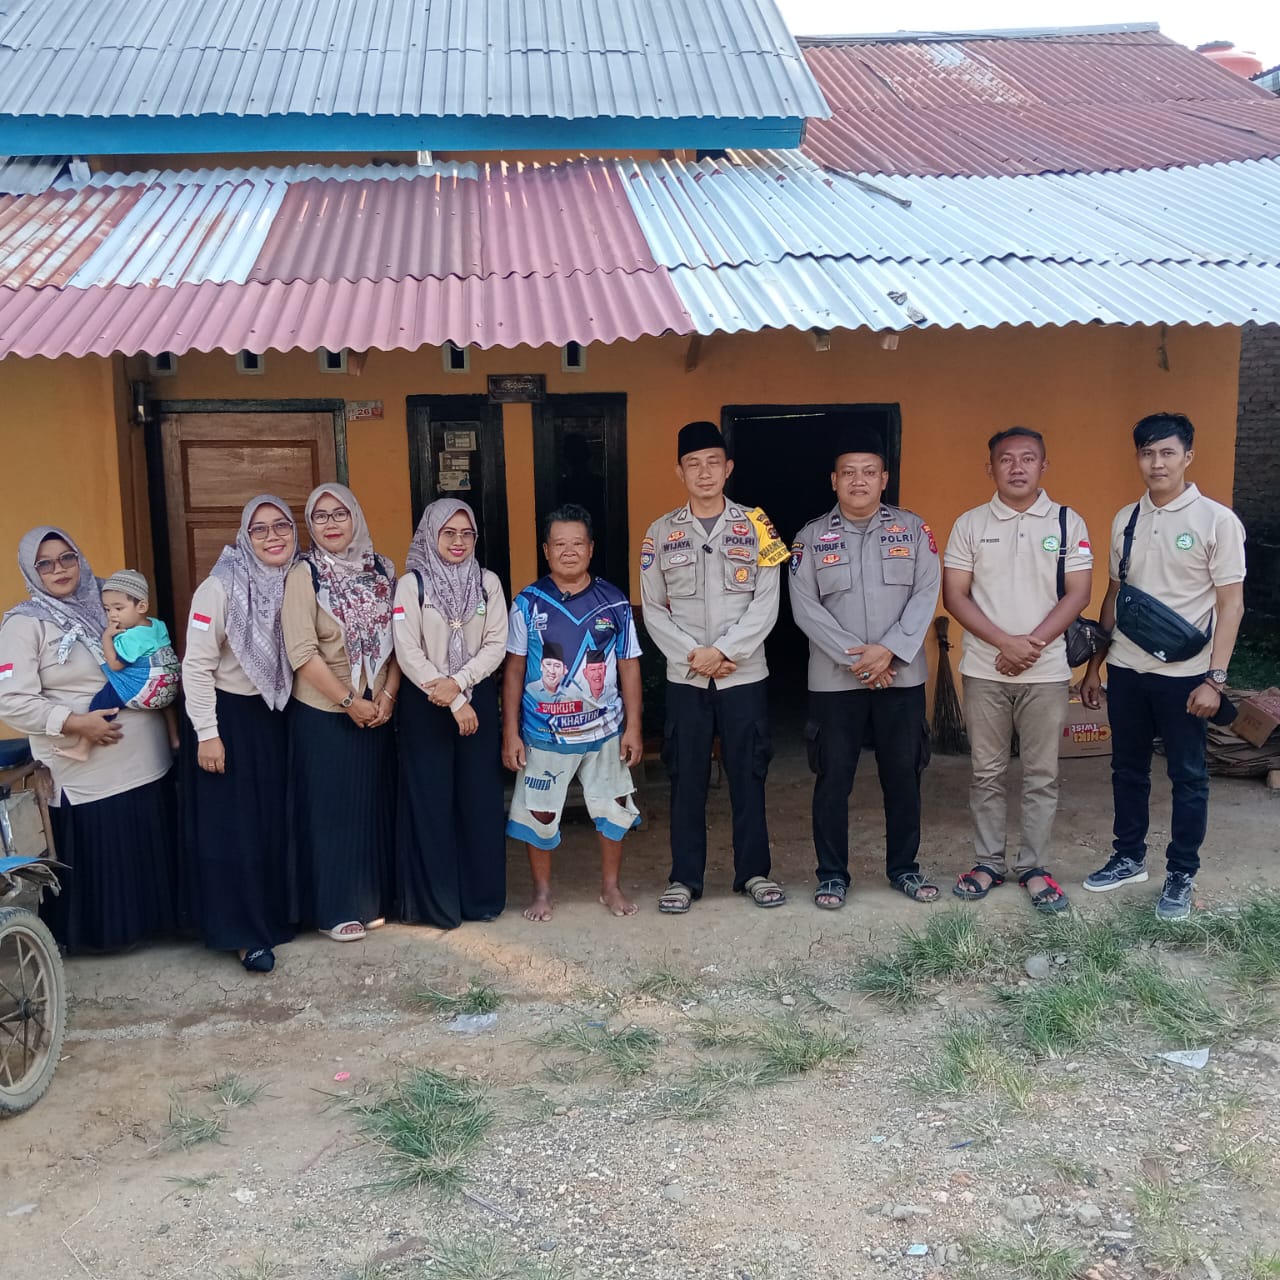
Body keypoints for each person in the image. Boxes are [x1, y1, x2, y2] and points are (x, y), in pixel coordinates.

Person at [1081, 413, 1246, 921]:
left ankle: (1181, 873)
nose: (1157, 463)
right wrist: (1095, 666)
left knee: (1188, 775)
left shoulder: (1217, 521)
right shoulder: (1125, 519)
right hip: (1128, 670)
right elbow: (1115, 594)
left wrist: (1215, 679)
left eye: (1167, 453)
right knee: (1126, 769)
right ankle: (1128, 857)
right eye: (1148, 454)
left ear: (1188, 457)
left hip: (1187, 676)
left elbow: (1232, 604)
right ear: (1138, 459)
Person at [0, 528, 176, 952]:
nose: (59, 569)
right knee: (106, 864)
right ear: (31, 570)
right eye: (46, 563)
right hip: (89, 776)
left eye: (67, 558)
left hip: (148, 764)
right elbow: (10, 701)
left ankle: (161, 924)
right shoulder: (25, 624)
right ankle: (105, 938)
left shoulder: (108, 600)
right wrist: (76, 723)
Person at [640, 420, 789, 914]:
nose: (703, 473)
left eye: (712, 463)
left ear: (728, 468)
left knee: (749, 771)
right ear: (678, 471)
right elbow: (654, 607)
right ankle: (685, 878)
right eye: (692, 464)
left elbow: (768, 600)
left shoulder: (760, 525)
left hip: (743, 674)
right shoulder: (660, 533)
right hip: (687, 678)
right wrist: (696, 655)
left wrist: (727, 653)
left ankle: (755, 872)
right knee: (686, 776)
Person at [942, 427, 1093, 914]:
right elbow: (955, 595)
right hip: (985, 669)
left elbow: (1079, 592)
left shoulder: (1068, 523)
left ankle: (1034, 866)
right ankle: (988, 862)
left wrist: (1031, 646)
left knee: (1041, 774)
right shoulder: (969, 523)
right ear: (991, 468)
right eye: (1006, 460)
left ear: (1044, 466)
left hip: (1046, 673)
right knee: (986, 772)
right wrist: (1004, 643)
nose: (1017, 467)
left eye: (1028, 459)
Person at [789, 429, 942, 908]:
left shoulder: (915, 530)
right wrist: (860, 658)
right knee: (833, 780)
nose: (859, 481)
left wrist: (890, 652)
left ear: (884, 479)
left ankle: (904, 869)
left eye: (869, 472)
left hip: (901, 677)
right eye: (849, 473)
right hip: (837, 682)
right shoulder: (810, 538)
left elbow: (925, 593)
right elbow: (804, 607)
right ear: (834, 480)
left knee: (904, 776)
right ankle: (832, 874)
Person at [502, 503, 642, 922]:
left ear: (591, 547)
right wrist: (510, 731)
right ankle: (542, 892)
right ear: (546, 550)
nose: (568, 551)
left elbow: (629, 664)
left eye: (577, 543)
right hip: (544, 734)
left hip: (604, 732)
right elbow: (512, 670)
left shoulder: (613, 602)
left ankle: (610, 887)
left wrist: (634, 726)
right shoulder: (528, 602)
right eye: (559, 544)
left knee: (612, 810)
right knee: (539, 816)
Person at [182, 495, 298, 973]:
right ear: (244, 537)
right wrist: (208, 733)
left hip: (279, 716)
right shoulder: (220, 586)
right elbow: (196, 665)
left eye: (281, 527)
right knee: (237, 832)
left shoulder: (297, 579)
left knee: (274, 823)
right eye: (260, 529)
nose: (272, 537)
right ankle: (244, 935)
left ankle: (274, 918)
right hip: (229, 720)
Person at [282, 484, 400, 944]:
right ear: (311, 526)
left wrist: (386, 698)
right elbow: (302, 651)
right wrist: (350, 702)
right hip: (325, 712)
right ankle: (333, 908)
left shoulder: (383, 570)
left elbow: (399, 642)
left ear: (356, 518)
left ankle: (368, 900)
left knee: (370, 807)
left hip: (377, 710)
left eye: (340, 514)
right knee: (330, 813)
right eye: (321, 517)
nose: (332, 525)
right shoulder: (304, 575)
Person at [394, 499, 509, 929]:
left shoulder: (487, 584)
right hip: (427, 703)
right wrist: (450, 695)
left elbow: (497, 643)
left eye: (466, 534)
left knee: (478, 799)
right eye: (449, 533)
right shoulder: (411, 585)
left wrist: (460, 685)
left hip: (474, 696)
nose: (458, 542)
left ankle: (481, 899)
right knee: (432, 800)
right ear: (430, 535)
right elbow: (406, 650)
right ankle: (437, 904)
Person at [54, 568, 180, 761]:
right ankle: (174, 738)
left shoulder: (132, 637)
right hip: (168, 690)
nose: (112, 615)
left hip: (146, 692)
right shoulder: (156, 624)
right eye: (107, 609)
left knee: (103, 699)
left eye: (118, 608)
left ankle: (83, 747)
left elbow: (115, 666)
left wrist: (106, 637)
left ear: (141, 606)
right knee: (168, 704)